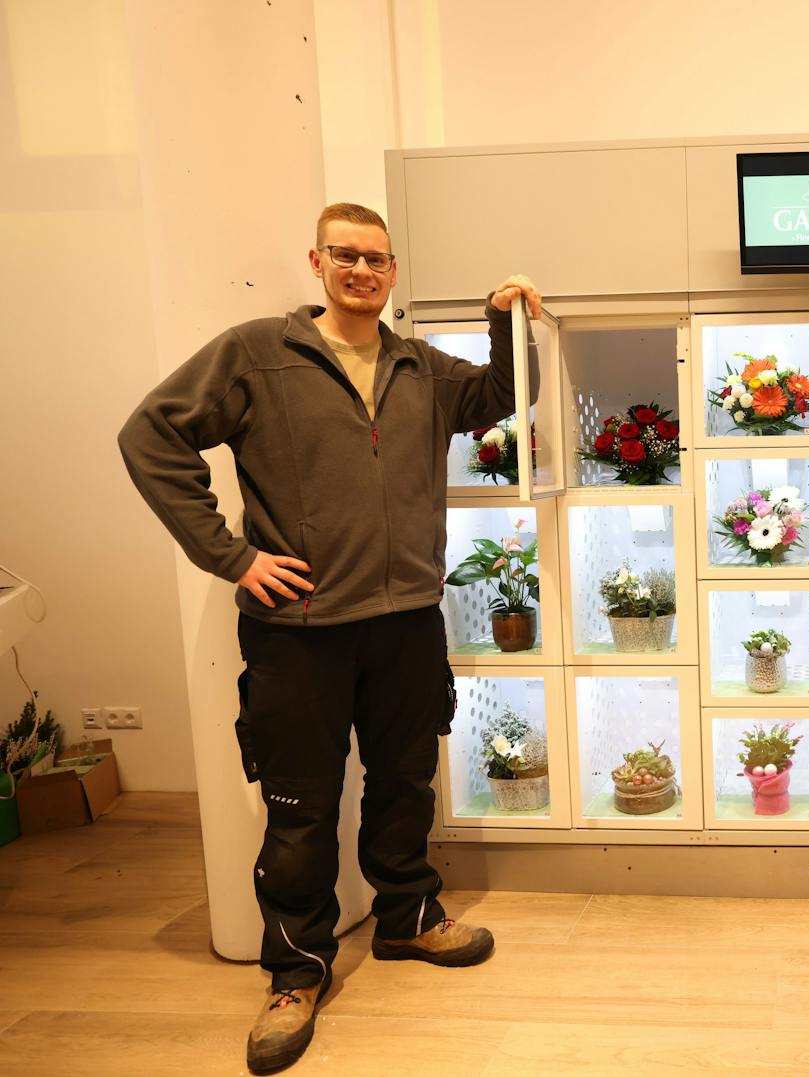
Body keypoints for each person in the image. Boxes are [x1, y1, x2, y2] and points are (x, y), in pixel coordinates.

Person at [118, 202, 540, 1072]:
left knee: (403, 781)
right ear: (317, 262)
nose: (361, 271)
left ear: (392, 274)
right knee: (300, 806)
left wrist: (502, 322)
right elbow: (150, 435)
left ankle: (408, 919)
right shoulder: (255, 354)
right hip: (299, 632)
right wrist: (231, 557)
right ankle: (295, 971)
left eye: (377, 260)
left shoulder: (420, 364)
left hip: (406, 622)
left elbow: (500, 398)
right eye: (345, 256)